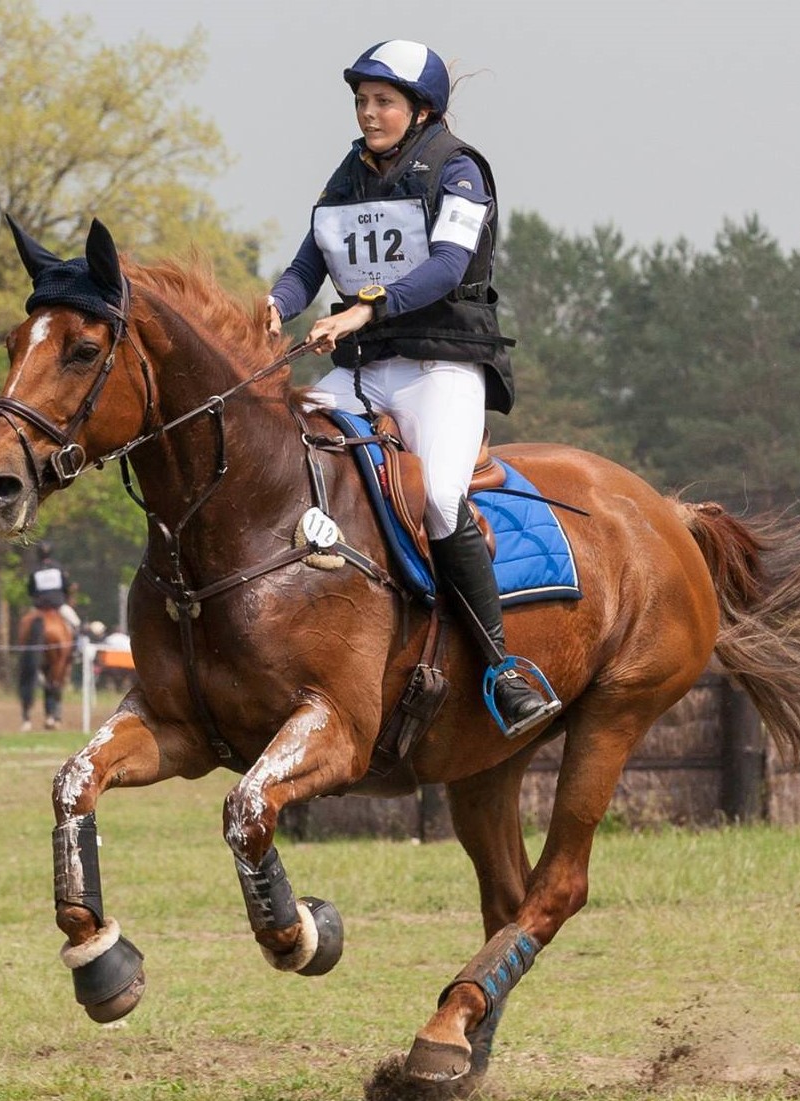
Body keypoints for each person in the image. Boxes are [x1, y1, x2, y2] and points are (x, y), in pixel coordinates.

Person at [267, 39, 560, 739]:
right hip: (364, 373)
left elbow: (450, 265)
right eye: (362, 101)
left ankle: (500, 668)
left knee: (437, 497)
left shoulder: (459, 172)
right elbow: (309, 263)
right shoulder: (349, 175)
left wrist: (365, 307)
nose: (369, 113)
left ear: (421, 109)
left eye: (383, 102)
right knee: (287, 453)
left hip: (441, 367)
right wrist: (274, 306)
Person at [27, 541, 81, 636]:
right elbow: (66, 586)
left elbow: (30, 591)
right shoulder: (58, 567)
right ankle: (75, 649)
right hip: (58, 605)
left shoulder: (34, 570)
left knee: (26, 624)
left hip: (39, 606)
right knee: (76, 623)